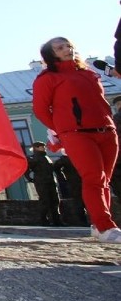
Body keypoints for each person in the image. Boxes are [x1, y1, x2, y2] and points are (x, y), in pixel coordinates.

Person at [32, 37, 121, 243]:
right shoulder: (48, 78)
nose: (67, 49)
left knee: (104, 180)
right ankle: (105, 226)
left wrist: (109, 122)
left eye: (69, 45)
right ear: (51, 54)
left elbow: (100, 102)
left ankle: (98, 226)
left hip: (106, 130)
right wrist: (61, 129)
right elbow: (40, 110)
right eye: (60, 48)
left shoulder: (89, 73)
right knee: (93, 178)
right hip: (76, 133)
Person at [26, 141, 63, 227]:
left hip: (50, 181)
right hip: (41, 181)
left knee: (55, 200)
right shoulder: (33, 158)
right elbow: (26, 168)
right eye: (42, 146)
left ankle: (56, 220)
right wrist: (29, 178)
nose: (44, 148)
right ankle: (43, 220)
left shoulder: (46, 157)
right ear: (36, 148)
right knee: (45, 201)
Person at [54, 151, 88, 226]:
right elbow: (56, 167)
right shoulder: (65, 158)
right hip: (74, 182)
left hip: (83, 180)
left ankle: (88, 220)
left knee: (87, 200)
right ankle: (82, 221)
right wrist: (61, 176)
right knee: (79, 201)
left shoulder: (79, 156)